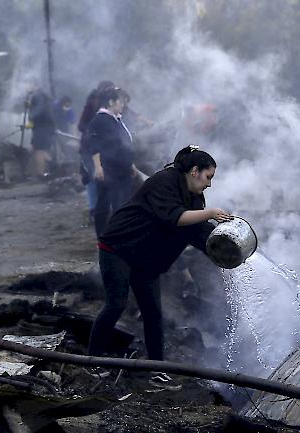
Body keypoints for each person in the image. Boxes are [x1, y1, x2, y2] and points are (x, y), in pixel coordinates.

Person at [87, 145, 233, 390]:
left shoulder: (195, 197)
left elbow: (196, 232)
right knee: (116, 304)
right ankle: (91, 360)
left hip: (146, 258)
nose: (209, 184)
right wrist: (210, 213)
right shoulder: (164, 181)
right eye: (208, 177)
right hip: (119, 247)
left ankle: (157, 371)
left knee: (153, 313)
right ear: (195, 171)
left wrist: (224, 248)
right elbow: (174, 217)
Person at [87, 87, 139, 236]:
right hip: (110, 169)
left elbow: (123, 144)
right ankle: (106, 237)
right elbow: (94, 144)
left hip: (121, 168)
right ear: (111, 102)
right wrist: (98, 167)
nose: (122, 105)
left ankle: (116, 236)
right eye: (120, 102)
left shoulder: (115, 119)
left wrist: (131, 164)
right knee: (108, 204)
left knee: (120, 203)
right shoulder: (101, 120)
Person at [78, 80, 115, 223]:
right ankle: (94, 211)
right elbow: (81, 125)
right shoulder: (92, 104)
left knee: (105, 178)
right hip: (89, 147)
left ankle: (105, 209)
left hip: (105, 148)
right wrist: (94, 132)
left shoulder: (112, 105)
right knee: (92, 177)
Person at [27, 85, 56, 177]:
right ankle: (51, 164)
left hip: (41, 127)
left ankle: (41, 173)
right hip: (48, 127)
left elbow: (39, 110)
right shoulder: (44, 96)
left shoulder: (37, 96)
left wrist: (31, 117)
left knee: (38, 150)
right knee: (42, 149)